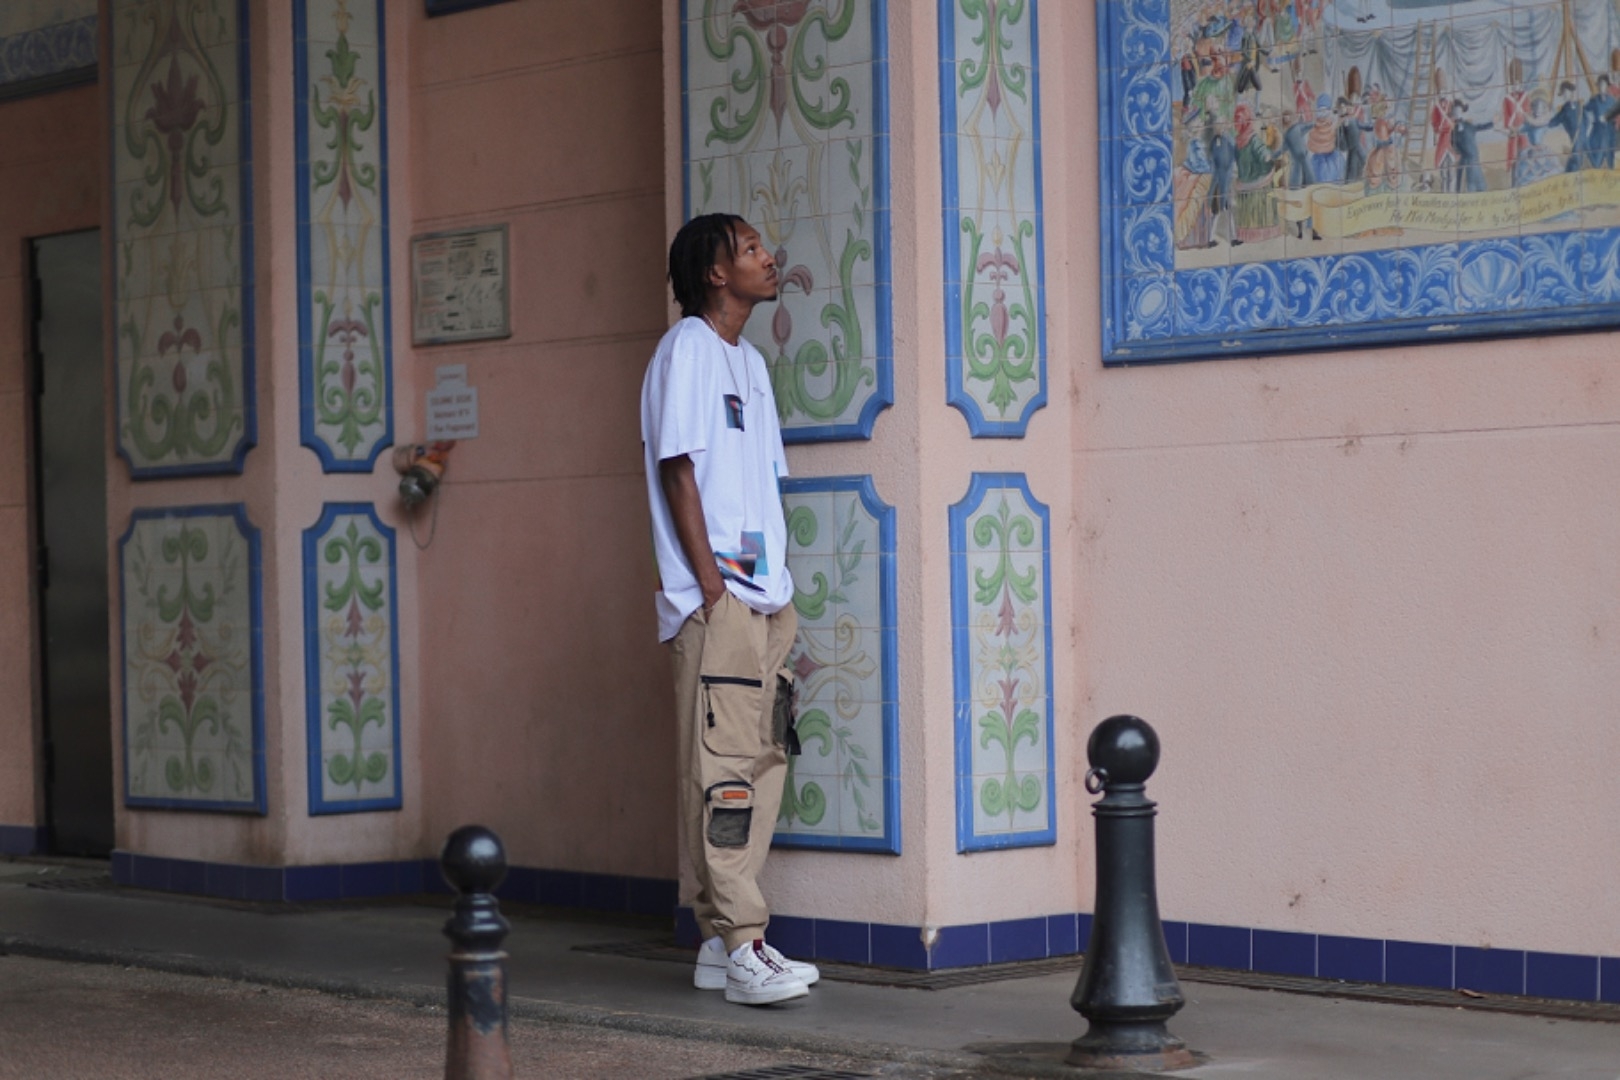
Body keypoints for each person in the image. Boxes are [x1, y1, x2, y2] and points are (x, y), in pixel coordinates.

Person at [640, 214, 820, 1007]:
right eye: (750, 250)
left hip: (764, 601)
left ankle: (721, 944)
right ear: (716, 272)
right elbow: (678, 469)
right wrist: (711, 589)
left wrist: (775, 592)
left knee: (762, 764)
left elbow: (759, 484)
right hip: (719, 606)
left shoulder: (748, 361)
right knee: (722, 775)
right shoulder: (686, 350)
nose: (767, 258)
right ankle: (745, 943)